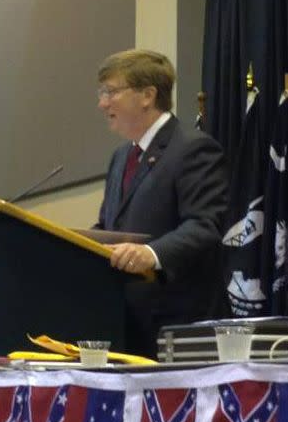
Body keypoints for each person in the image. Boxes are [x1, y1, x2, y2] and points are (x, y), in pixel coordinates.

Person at [94, 49, 228, 357]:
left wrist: (151, 254)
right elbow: (108, 228)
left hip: (179, 331)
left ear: (147, 95)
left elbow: (204, 225)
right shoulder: (120, 158)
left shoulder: (193, 149)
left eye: (110, 92)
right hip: (126, 327)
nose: (102, 103)